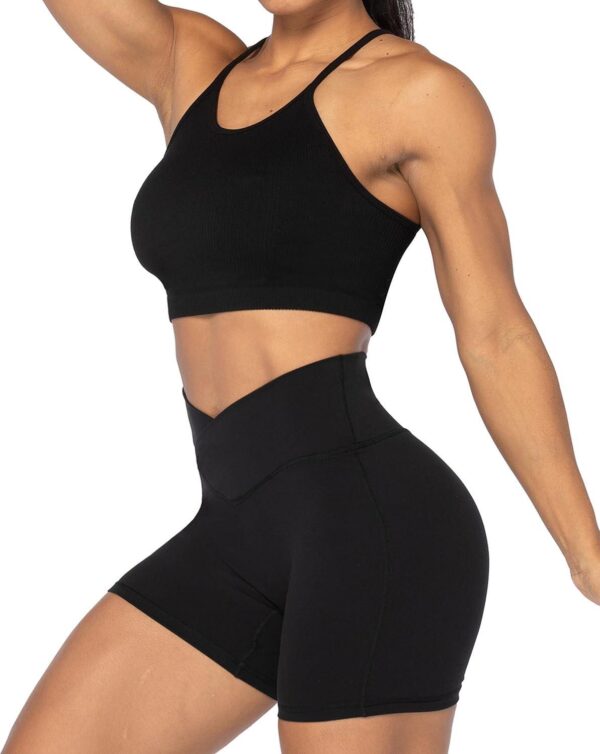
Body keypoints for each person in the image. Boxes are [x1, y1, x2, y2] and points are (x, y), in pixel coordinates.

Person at [3, 0, 599, 752]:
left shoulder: (417, 93)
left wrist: (587, 553)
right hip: (233, 535)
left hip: (372, 534)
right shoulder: (193, 64)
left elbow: (495, 333)